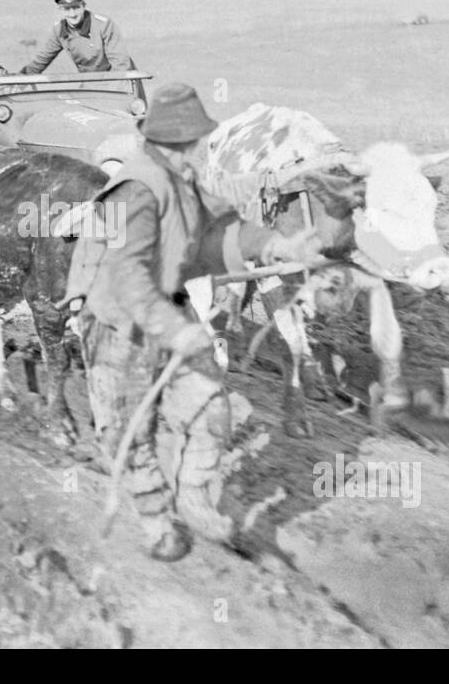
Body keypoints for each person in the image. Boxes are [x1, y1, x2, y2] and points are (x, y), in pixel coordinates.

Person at [63, 82, 320, 562]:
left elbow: (219, 236)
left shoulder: (186, 184)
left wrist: (273, 246)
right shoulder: (136, 191)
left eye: (196, 139)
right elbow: (128, 278)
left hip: (168, 307)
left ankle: (195, 497)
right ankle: (157, 520)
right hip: (117, 323)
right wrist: (179, 331)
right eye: (187, 141)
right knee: (128, 433)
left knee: (210, 409)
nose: (195, 149)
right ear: (163, 142)